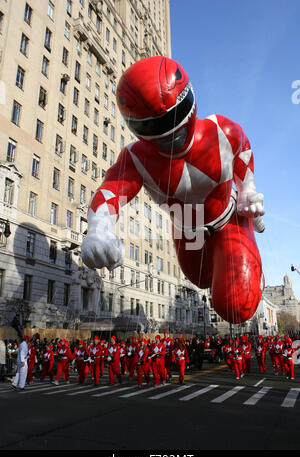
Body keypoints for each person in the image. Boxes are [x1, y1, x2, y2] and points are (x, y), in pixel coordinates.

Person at [81, 56, 265, 329]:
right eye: (156, 126)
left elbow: (242, 149)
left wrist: (248, 189)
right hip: (187, 230)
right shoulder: (136, 158)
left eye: (175, 116)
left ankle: (244, 258)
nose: (171, 132)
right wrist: (98, 227)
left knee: (236, 306)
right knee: (200, 279)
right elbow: (112, 189)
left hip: (228, 221)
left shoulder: (221, 131)